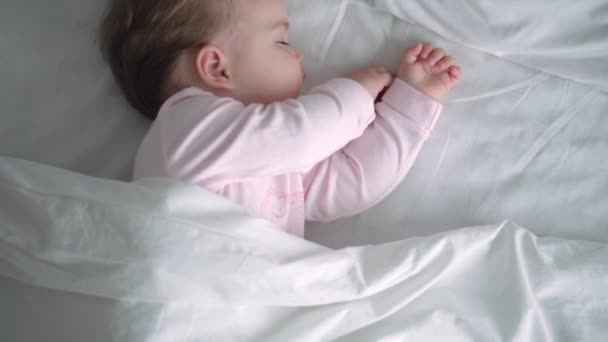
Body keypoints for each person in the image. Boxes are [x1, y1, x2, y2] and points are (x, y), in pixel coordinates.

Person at [101, 0, 462, 237]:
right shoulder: (183, 129)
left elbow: (349, 184)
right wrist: (356, 90)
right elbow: (302, 133)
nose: (299, 55)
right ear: (216, 67)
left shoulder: (270, 153)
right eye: (283, 43)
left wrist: (408, 106)